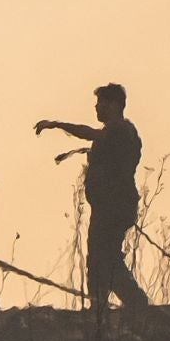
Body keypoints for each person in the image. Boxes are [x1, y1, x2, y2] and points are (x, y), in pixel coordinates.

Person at [35, 83, 149, 311]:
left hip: (114, 207)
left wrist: (57, 125)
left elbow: (91, 133)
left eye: (101, 103)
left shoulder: (120, 132)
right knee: (102, 258)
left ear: (115, 105)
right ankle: (103, 307)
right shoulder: (115, 133)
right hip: (109, 206)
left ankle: (129, 304)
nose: (97, 108)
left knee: (102, 258)